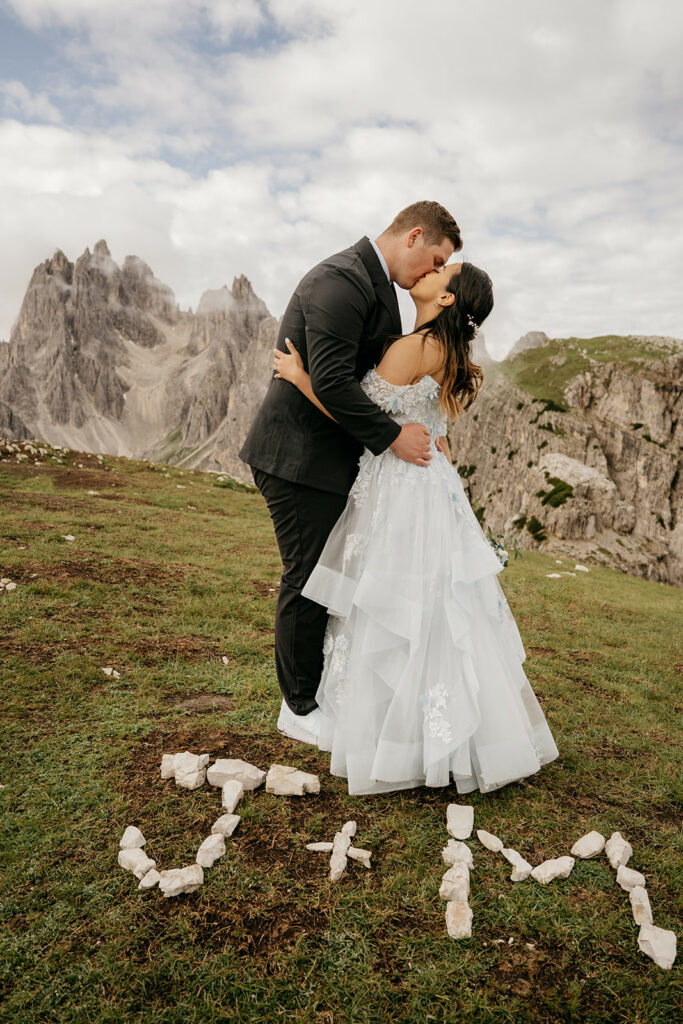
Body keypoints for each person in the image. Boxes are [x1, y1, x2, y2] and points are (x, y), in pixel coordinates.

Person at [272, 260, 560, 795]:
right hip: (434, 485)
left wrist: (300, 378)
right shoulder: (450, 354)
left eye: (441, 272)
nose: (429, 272)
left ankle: (394, 739)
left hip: (400, 486)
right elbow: (435, 430)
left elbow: (355, 414)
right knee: (433, 609)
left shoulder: (412, 347)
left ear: (447, 299)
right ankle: (441, 739)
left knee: (392, 603)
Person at [239, 201, 462, 745]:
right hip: (297, 460)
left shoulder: (379, 286)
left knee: (332, 581)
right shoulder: (340, 280)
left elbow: (372, 380)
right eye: (434, 259)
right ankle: (298, 707)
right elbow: (336, 382)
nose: (431, 272)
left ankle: (322, 695)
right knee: (308, 577)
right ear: (413, 236)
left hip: (333, 459)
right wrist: (393, 437)